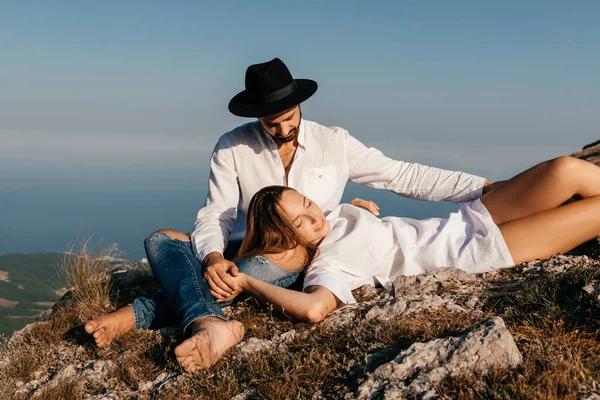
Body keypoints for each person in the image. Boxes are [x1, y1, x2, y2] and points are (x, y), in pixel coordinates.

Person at [84, 58, 497, 372]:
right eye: (271, 122)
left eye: (288, 119)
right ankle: (211, 320)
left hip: (298, 256)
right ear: (256, 116)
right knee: (161, 239)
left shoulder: (334, 141)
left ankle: (144, 314)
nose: (282, 129)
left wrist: (482, 188)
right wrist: (212, 258)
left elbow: (402, 174)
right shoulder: (232, 146)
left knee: (249, 267)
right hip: (243, 248)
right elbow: (217, 213)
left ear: (299, 104)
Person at [229, 158, 600, 323]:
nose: (315, 216)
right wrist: (248, 280)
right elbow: (313, 310)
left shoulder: (335, 216)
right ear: (287, 236)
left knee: (565, 169)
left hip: (468, 218)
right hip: (480, 250)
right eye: (301, 221)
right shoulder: (329, 264)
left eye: (309, 203)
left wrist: (352, 209)